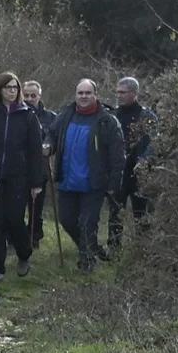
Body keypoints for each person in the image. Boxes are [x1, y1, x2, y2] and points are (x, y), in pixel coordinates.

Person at [48, 79, 126, 273]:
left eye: (87, 93)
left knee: (87, 223)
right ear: (75, 95)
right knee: (66, 220)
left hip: (94, 183)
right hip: (67, 180)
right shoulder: (66, 115)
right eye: (80, 93)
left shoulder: (107, 121)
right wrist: (48, 145)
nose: (83, 97)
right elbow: (52, 134)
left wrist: (113, 184)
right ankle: (92, 247)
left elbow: (118, 157)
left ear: (95, 95)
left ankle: (87, 263)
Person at [0, 72, 46, 278]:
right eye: (8, 87)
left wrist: (37, 182)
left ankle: (24, 253)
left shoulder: (28, 116)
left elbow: (35, 151)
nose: (12, 91)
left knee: (14, 219)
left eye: (15, 88)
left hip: (18, 176)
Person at [108, 76, 158, 250]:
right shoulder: (112, 116)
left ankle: (142, 250)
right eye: (118, 92)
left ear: (134, 93)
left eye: (123, 92)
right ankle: (114, 251)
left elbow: (154, 143)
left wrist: (144, 161)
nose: (119, 96)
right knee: (115, 214)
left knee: (142, 215)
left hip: (140, 174)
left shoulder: (147, 117)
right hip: (118, 173)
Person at [23, 80, 58, 249]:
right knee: (16, 206)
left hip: (41, 169)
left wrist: (49, 147)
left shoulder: (51, 117)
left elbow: (56, 140)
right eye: (26, 95)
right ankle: (16, 236)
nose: (30, 99)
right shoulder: (16, 115)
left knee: (36, 207)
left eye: (33, 96)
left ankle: (35, 236)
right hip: (19, 167)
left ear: (39, 96)